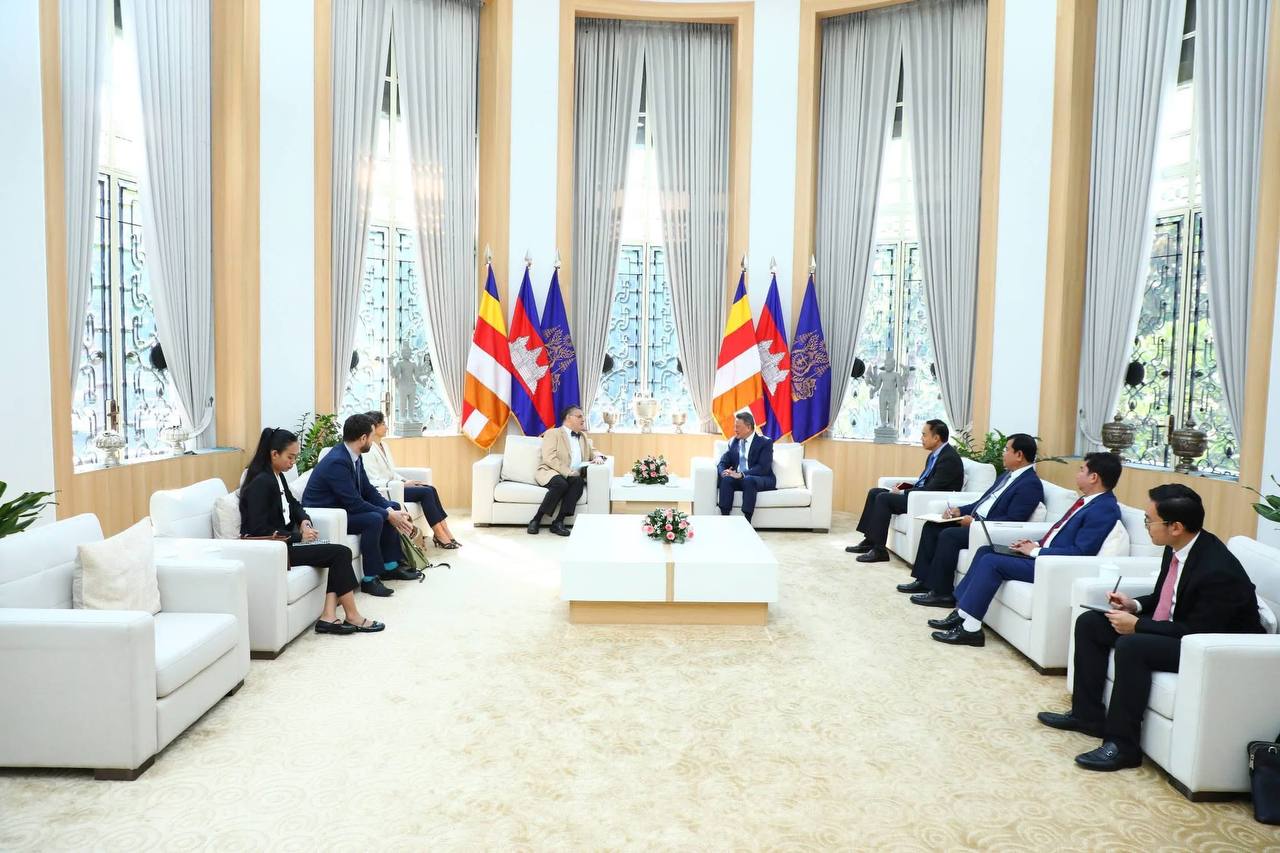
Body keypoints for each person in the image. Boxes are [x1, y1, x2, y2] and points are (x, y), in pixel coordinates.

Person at [1037, 484, 1264, 771]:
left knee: (1133, 645)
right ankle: (1087, 716)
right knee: (1091, 623)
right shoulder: (1178, 547)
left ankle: (1123, 746)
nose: (1146, 526)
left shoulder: (1217, 570)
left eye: (1149, 520)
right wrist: (1134, 605)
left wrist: (1138, 626)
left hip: (1216, 649)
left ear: (1176, 527)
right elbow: (1165, 596)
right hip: (1185, 630)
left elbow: (1197, 631)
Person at [929, 452, 1124, 647]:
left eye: (1082, 470)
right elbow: (1059, 534)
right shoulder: (1089, 501)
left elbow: (1081, 552)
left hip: (1053, 566)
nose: (1077, 474)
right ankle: (962, 613)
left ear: (1093, 477)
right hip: (1044, 555)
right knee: (986, 551)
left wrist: (1035, 552)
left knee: (991, 562)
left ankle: (971, 630)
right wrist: (1035, 543)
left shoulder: (1104, 509)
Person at [239, 428, 384, 634]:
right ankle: (352, 616)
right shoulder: (260, 483)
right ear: (274, 454)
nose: (293, 462)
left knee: (338, 553)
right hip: (275, 551)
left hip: (286, 544)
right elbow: (258, 529)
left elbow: (294, 504)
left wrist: (304, 521)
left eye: (295, 457)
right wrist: (299, 536)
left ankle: (328, 617)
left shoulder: (276, 476)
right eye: (290, 457)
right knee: (340, 553)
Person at [900, 433, 1045, 608]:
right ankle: (924, 581)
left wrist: (975, 524)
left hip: (986, 529)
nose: (1003, 453)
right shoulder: (1007, 475)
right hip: (974, 521)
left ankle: (943, 593)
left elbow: (1013, 520)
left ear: (1019, 455)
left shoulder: (1030, 484)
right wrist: (959, 511)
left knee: (949, 535)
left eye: (1007, 450)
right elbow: (981, 502)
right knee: (932, 526)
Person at [302, 413, 420, 597]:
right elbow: (354, 503)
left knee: (392, 506)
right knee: (374, 519)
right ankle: (370, 579)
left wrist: (389, 509)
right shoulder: (337, 461)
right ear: (363, 438)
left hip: (343, 508)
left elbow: (368, 490)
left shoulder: (354, 455)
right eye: (372, 437)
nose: (373, 441)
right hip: (328, 514)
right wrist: (387, 515)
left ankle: (390, 566)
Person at [847, 419, 964, 563]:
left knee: (883, 498)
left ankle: (880, 550)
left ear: (936, 438)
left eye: (924, 435)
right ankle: (870, 541)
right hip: (919, 495)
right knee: (874, 492)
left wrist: (903, 492)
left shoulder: (949, 458)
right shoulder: (934, 455)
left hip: (927, 500)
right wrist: (904, 487)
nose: (921, 438)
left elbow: (932, 488)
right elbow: (925, 481)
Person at [362, 410, 460, 549]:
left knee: (430, 489)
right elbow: (374, 479)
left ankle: (446, 531)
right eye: (383, 424)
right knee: (426, 493)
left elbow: (392, 472)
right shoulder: (368, 450)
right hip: (387, 490)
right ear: (374, 427)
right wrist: (401, 485)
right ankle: (439, 534)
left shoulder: (384, 445)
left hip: (396, 485)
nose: (386, 427)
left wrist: (405, 481)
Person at [529, 405, 606, 536]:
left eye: (583, 416)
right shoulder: (553, 433)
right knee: (561, 484)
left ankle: (558, 522)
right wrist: (568, 472)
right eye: (579, 416)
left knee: (578, 482)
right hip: (551, 471)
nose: (583, 419)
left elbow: (593, 451)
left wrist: (598, 457)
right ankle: (536, 519)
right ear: (568, 418)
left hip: (573, 476)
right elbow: (549, 457)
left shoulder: (583, 436)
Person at [716, 411, 776, 524]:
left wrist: (742, 474)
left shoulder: (765, 442)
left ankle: (747, 521)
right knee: (727, 479)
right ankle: (724, 519)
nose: (735, 430)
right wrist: (724, 472)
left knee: (748, 480)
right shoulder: (734, 441)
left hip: (760, 478)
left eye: (738, 427)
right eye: (735, 426)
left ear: (748, 427)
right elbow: (722, 462)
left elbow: (763, 467)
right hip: (738, 478)